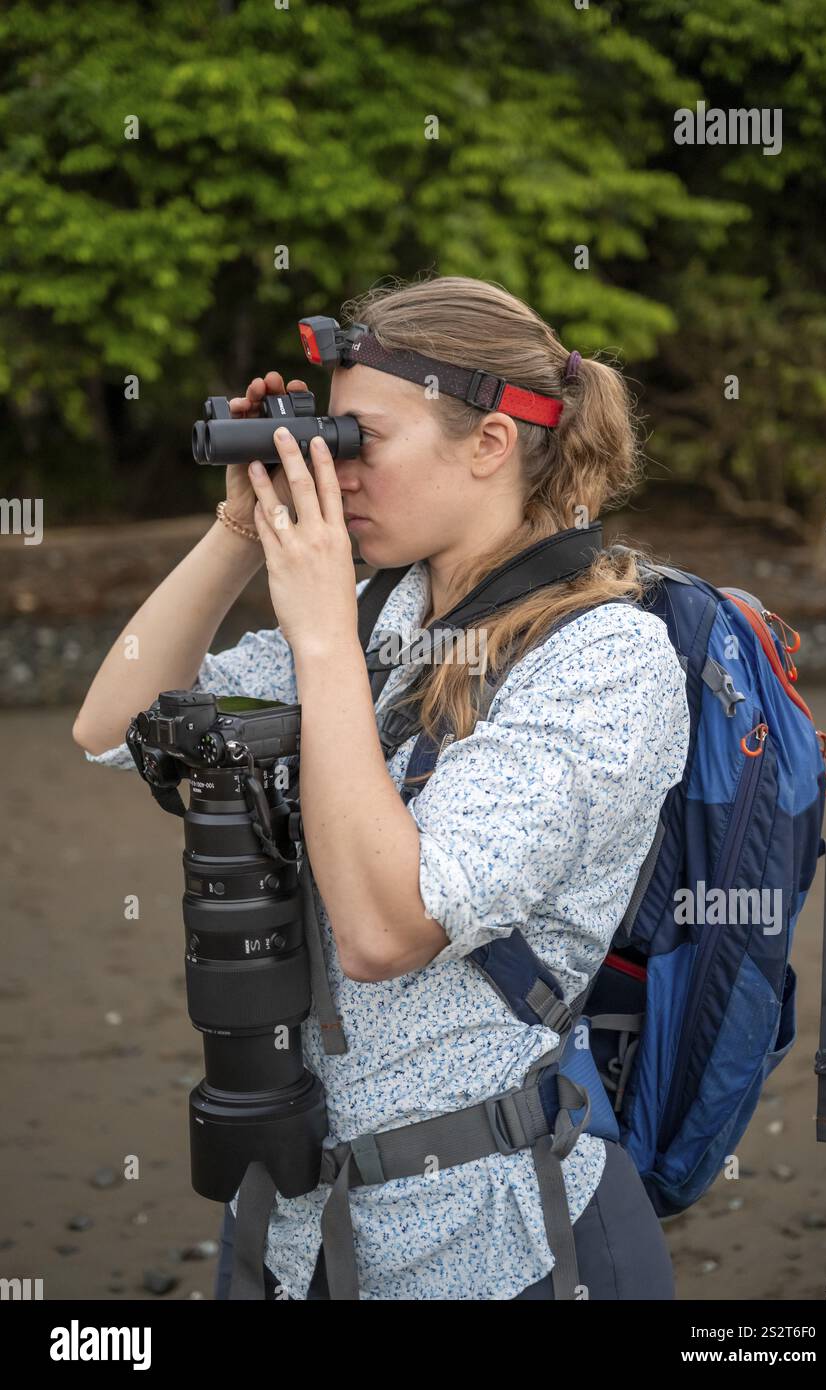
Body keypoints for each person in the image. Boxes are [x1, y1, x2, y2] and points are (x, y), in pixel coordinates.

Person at [73, 273, 690, 1301]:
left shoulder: (606, 661)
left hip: (490, 1238)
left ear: (488, 443)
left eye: (358, 440)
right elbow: (110, 727)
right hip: (294, 1220)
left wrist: (317, 628)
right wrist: (238, 532)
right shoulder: (381, 616)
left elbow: (382, 930)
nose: (331, 469)